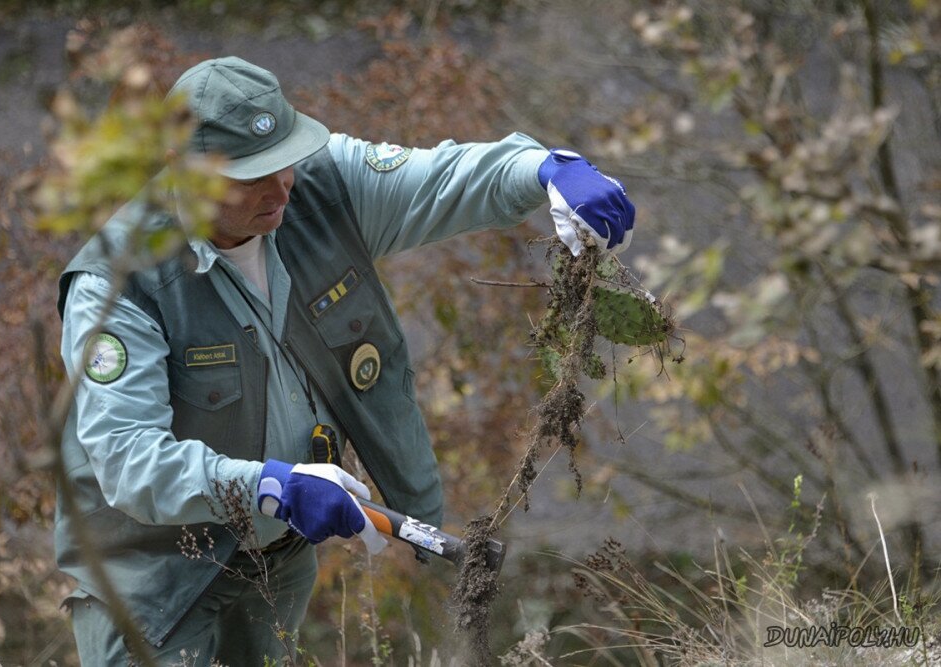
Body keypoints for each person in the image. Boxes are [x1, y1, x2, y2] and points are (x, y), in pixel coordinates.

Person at [56, 56, 635, 665]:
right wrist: (271, 486)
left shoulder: (320, 186)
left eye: (282, 161)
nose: (280, 187)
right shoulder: (119, 282)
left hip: (273, 561)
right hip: (151, 584)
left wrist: (545, 169)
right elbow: (127, 458)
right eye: (251, 176)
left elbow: (443, 178)